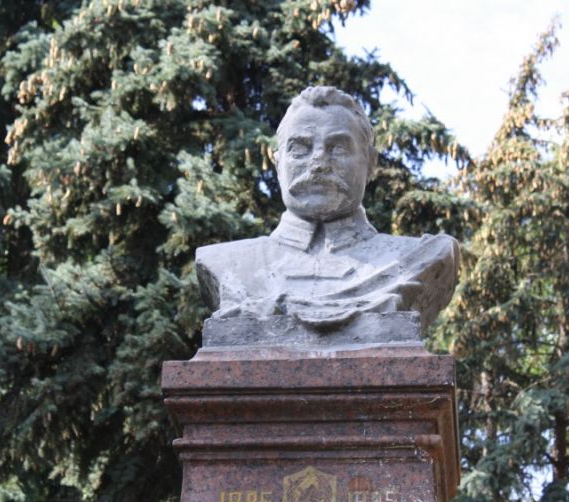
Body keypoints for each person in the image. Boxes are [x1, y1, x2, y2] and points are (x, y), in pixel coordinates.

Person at [196, 86, 459, 341]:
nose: (318, 163)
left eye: (338, 148)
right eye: (300, 148)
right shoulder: (227, 264)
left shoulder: (421, 258)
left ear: (370, 163)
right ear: (278, 164)